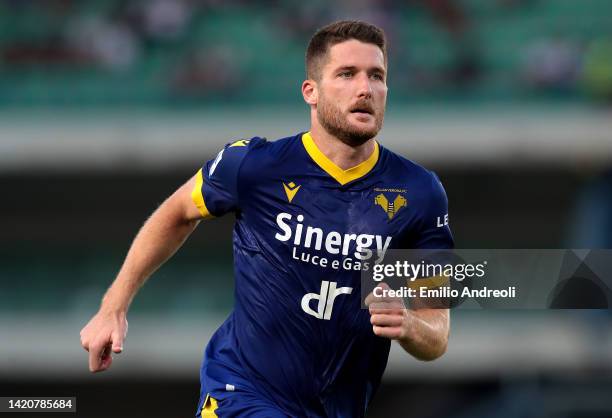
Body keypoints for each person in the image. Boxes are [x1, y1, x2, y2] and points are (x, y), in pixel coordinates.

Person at [80, 20, 454, 417]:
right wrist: (113, 305)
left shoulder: (420, 193)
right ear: (311, 91)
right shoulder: (254, 166)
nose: (365, 88)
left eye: (376, 76)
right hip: (240, 392)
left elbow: (438, 332)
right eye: (347, 74)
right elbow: (177, 212)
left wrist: (410, 325)